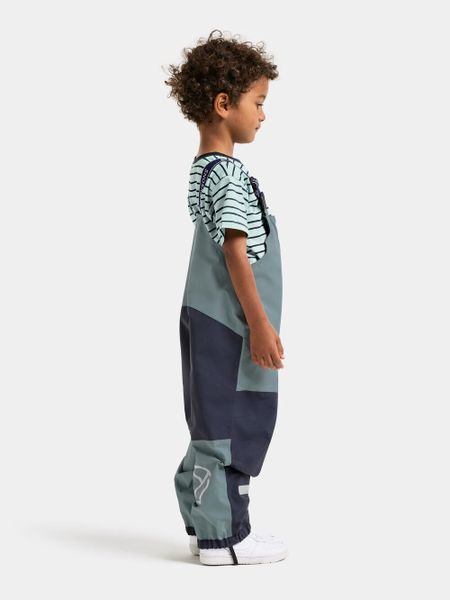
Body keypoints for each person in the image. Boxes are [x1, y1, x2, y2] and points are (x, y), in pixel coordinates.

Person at [164, 29, 287, 566]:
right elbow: (236, 254)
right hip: (230, 320)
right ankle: (227, 538)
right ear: (223, 104)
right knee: (236, 419)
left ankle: (203, 523)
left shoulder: (204, 168)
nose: (263, 114)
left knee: (210, 416)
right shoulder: (230, 175)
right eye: (257, 102)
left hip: (204, 311)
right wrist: (259, 325)